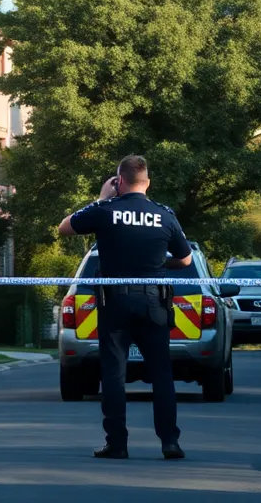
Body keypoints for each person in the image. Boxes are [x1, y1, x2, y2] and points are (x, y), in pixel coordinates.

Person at [58, 154, 192, 460]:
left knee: (114, 374)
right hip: (153, 301)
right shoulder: (164, 214)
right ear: (147, 182)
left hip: (115, 300)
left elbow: (64, 228)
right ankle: (170, 442)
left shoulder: (107, 210)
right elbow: (185, 260)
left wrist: (100, 198)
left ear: (119, 181)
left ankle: (117, 443)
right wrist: (159, 264)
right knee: (161, 374)